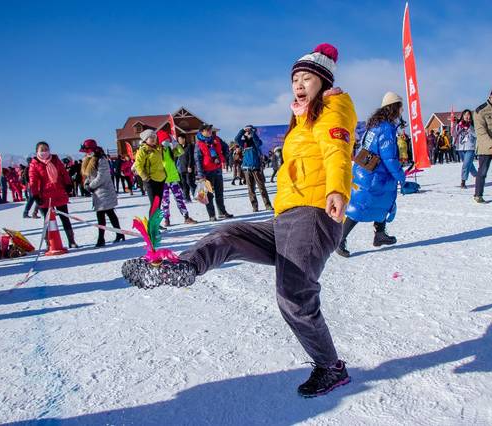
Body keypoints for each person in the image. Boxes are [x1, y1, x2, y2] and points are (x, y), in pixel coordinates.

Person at [126, 43, 355, 397]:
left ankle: (330, 367)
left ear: (324, 82)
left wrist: (337, 189)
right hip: (288, 216)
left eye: (306, 77)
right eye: (294, 78)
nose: (298, 83)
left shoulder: (333, 108)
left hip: (314, 212)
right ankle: (185, 267)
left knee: (294, 295)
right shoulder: (301, 120)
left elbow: (337, 150)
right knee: (230, 233)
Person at [336, 91, 408, 257]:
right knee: (361, 207)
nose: (401, 111)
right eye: (400, 107)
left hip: (366, 171)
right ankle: (340, 238)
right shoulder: (387, 128)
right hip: (375, 175)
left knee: (381, 202)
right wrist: (401, 177)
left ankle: (380, 234)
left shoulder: (375, 125)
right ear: (394, 107)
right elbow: (389, 157)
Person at [29, 141, 78, 248]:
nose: (44, 152)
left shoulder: (55, 160)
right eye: (42, 150)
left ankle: (71, 240)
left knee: (65, 218)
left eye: (46, 149)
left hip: (58, 193)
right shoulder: (34, 164)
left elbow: (64, 173)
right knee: (48, 221)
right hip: (45, 196)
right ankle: (49, 243)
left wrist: (68, 184)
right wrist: (35, 195)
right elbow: (33, 180)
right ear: (37, 151)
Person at [80, 139, 126, 247]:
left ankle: (102, 238)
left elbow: (102, 176)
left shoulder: (101, 159)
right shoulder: (88, 159)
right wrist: (86, 183)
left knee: (103, 214)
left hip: (104, 190)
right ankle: (118, 234)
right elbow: (88, 175)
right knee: (108, 213)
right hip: (97, 192)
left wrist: (91, 186)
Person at [157, 130, 197, 226]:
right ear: (161, 141)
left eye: (168, 139)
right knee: (165, 201)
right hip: (163, 180)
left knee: (179, 198)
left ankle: (186, 217)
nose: (167, 141)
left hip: (174, 178)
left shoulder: (170, 150)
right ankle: (166, 219)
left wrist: (175, 142)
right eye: (165, 140)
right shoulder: (158, 152)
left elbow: (181, 152)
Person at [194, 124, 233, 221]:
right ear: (202, 131)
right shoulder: (199, 144)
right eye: (207, 130)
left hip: (217, 170)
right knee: (209, 195)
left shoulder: (217, 139)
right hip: (206, 173)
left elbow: (226, 148)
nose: (210, 132)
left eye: (210, 130)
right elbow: (197, 159)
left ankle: (222, 212)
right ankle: (212, 215)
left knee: (220, 193)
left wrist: (224, 157)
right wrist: (201, 174)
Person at [235, 125, 273, 212]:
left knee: (261, 188)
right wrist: (242, 130)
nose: (247, 133)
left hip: (256, 168)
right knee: (250, 189)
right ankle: (255, 206)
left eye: (249, 131)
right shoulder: (243, 143)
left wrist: (252, 132)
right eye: (247, 132)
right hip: (246, 169)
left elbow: (258, 142)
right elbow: (236, 139)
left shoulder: (256, 142)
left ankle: (267, 205)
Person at [134, 129, 166, 217]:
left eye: (154, 137)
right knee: (154, 204)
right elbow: (138, 166)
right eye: (151, 137)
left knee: (158, 203)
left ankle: (156, 224)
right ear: (145, 139)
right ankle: (152, 227)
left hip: (161, 178)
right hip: (150, 180)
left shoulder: (158, 148)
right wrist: (146, 178)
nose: (153, 139)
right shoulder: (143, 150)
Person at [454, 109, 478, 189]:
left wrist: (469, 128)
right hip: (460, 147)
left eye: (468, 115)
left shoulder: (474, 125)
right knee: (469, 165)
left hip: (470, 147)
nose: (467, 116)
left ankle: (463, 181)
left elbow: (476, 135)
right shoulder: (458, 125)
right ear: (462, 116)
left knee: (466, 164)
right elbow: (454, 134)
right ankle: (477, 176)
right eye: (465, 115)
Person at [176, 135, 196, 202]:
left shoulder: (189, 146)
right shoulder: (179, 147)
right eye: (178, 140)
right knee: (184, 183)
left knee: (190, 182)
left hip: (188, 168)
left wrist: (190, 166)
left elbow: (191, 157)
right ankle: (187, 198)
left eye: (180, 139)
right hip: (181, 168)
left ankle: (196, 195)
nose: (179, 141)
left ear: (184, 139)